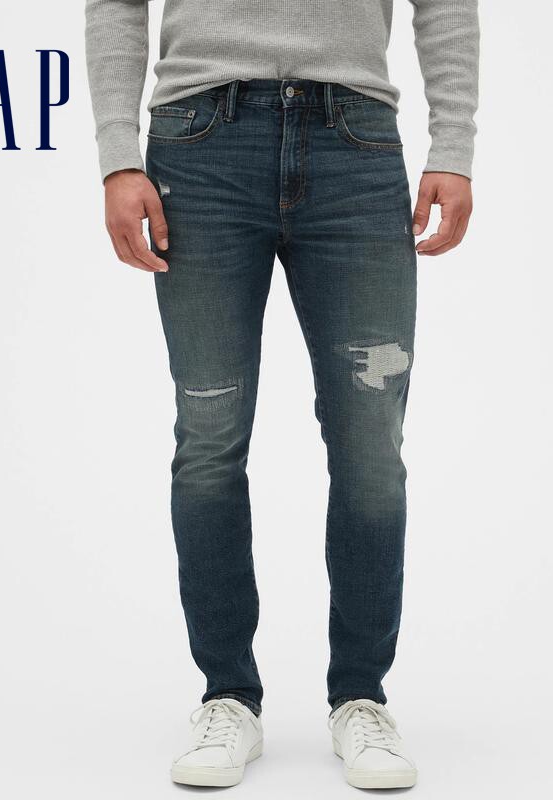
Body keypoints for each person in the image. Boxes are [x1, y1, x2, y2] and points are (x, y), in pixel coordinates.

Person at [85, 0, 479, 789]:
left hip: (355, 141)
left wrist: (455, 145)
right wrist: (117, 156)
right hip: (198, 144)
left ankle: (361, 697)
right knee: (209, 438)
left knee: (371, 448)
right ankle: (227, 696)